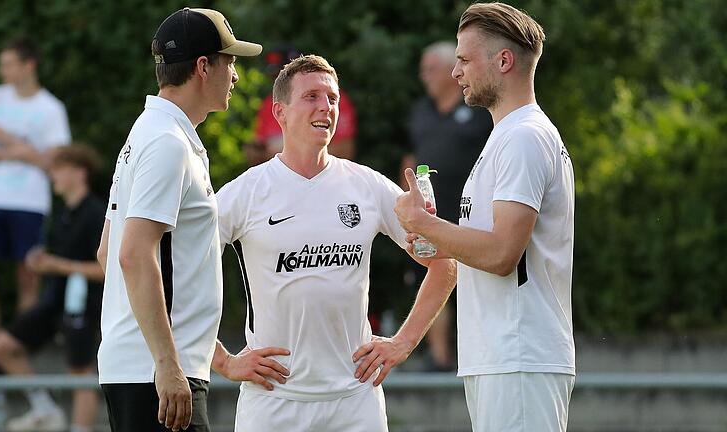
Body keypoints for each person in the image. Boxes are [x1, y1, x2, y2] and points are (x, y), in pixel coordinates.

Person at [215, 54, 456, 432]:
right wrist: (224, 362)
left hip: (355, 401)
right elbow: (175, 271)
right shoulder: (245, 192)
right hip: (274, 402)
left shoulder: (367, 185)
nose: (326, 107)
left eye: (332, 98)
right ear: (280, 111)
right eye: (311, 96)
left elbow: (444, 261)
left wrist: (403, 343)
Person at [96, 8, 287, 432]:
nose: (235, 75)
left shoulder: (147, 135)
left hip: (147, 369)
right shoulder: (167, 143)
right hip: (158, 375)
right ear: (204, 66)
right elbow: (130, 255)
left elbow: (107, 253)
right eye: (231, 61)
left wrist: (212, 356)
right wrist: (167, 362)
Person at [394, 3, 576, 431]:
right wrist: (436, 243)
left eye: (463, 59)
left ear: (504, 61)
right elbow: (490, 246)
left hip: (519, 356)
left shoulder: (524, 137)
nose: (456, 72)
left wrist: (424, 224)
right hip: (501, 357)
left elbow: (501, 254)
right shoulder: (507, 136)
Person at [0, 144, 105, 432]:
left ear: (79, 172)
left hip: (84, 305)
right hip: (55, 300)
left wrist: (55, 265)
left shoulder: (96, 214)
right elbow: (56, 260)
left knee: (81, 374)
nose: (52, 175)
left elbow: (106, 271)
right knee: (1, 345)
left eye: (58, 169)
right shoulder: (63, 214)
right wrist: (41, 262)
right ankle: (44, 409)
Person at [0, 37, 71, 340]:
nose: (3, 71)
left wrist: (11, 142)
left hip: (30, 204)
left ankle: (15, 347)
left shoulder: (52, 109)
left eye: (8, 64)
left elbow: (55, 164)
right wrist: (23, 152)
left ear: (29, 65)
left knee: (28, 278)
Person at [399, 41, 493, 371]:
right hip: (430, 213)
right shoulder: (421, 111)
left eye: (431, 69)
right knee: (428, 272)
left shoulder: (480, 113)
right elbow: (411, 156)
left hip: (471, 212)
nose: (424, 76)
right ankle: (439, 358)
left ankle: (477, 351)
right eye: (422, 70)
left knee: (474, 279)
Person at [243, 44, 357, 165]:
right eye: (275, 76)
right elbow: (258, 149)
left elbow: (345, 150)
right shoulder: (269, 104)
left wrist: (289, 153)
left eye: (284, 76)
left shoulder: (332, 101)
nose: (279, 82)